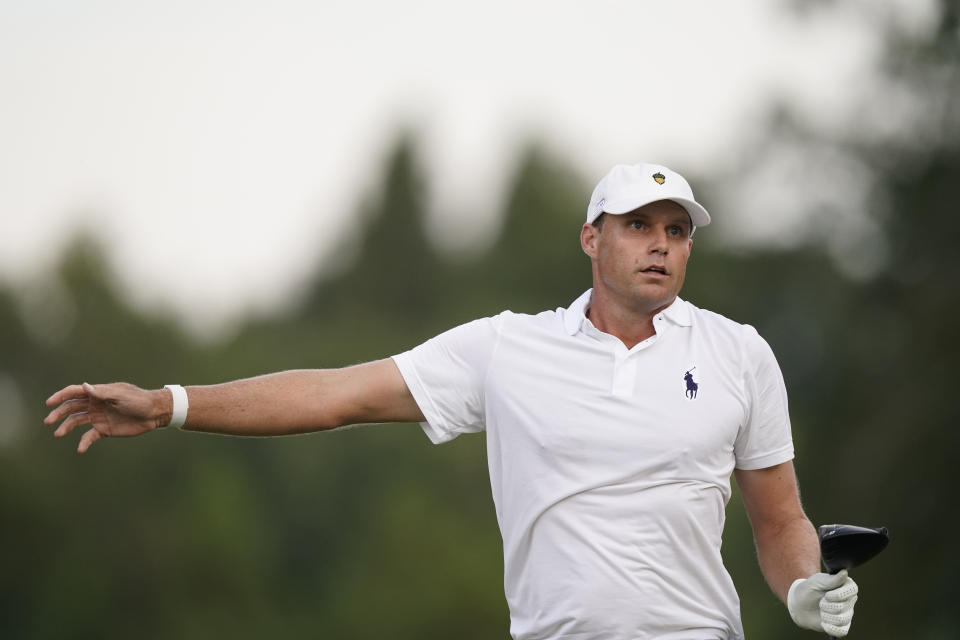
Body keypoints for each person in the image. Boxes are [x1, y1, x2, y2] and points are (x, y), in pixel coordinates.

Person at [44, 162, 860, 639]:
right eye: (637, 223)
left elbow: (779, 519)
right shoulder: (508, 347)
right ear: (591, 238)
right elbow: (337, 395)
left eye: (676, 229)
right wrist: (170, 403)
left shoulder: (739, 352)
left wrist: (800, 590)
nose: (659, 243)